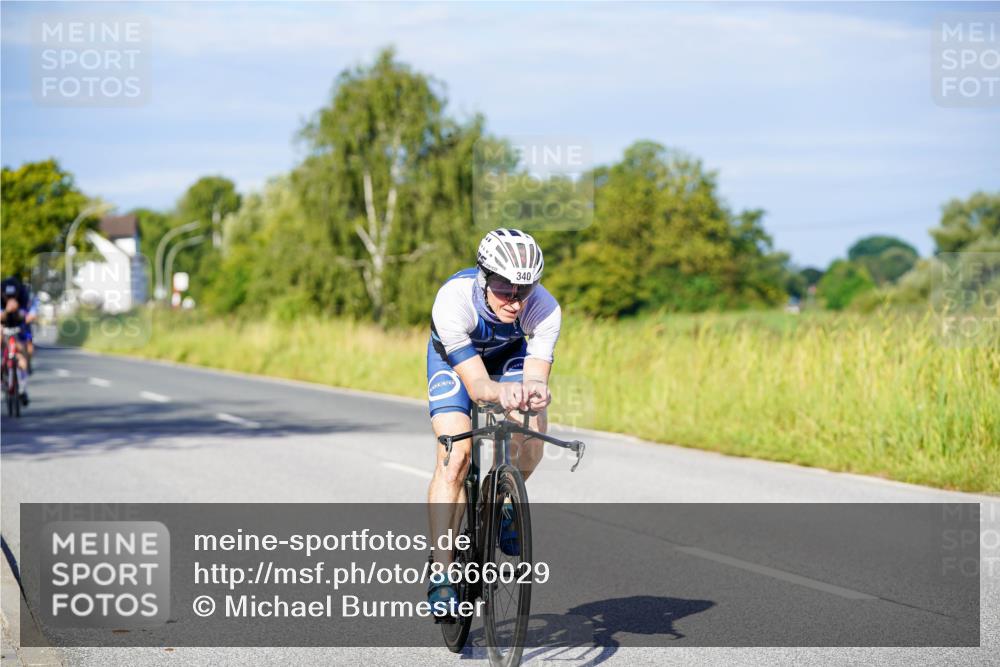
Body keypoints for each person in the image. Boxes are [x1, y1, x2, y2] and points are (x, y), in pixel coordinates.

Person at [425, 228, 561, 616]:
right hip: (456, 362)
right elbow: (478, 384)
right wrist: (497, 393)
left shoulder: (545, 308)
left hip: (509, 356)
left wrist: (535, 392)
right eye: (505, 289)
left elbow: (535, 375)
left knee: (533, 427)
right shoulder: (454, 300)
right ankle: (442, 572)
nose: (516, 301)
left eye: (525, 288)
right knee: (456, 455)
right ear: (484, 277)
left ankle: (500, 502)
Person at [1, 277, 30, 405]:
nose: (11, 299)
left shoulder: (23, 297)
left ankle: (23, 388)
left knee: (22, 354)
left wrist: (18, 310)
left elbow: (26, 316)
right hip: (3, 327)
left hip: (18, 329)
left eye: (13, 296)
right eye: (8, 296)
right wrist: (7, 310)